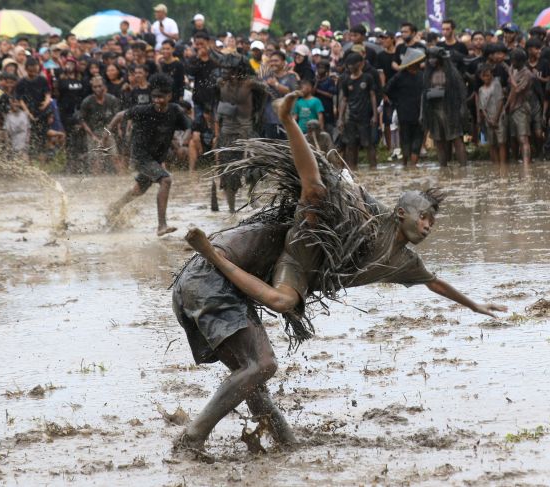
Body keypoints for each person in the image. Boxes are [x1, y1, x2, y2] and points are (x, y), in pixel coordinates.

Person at [174, 89, 507, 452]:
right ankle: (192, 439)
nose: (428, 225)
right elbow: (325, 181)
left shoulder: (405, 262)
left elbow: (436, 283)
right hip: (210, 272)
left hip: (228, 281)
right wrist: (297, 130)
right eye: (423, 217)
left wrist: (476, 306)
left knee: (253, 372)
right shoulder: (362, 215)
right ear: (402, 214)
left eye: (432, 221)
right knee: (261, 365)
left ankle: (285, 442)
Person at [106, 73, 190, 236]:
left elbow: (188, 127)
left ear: (169, 96)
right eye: (155, 97)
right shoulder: (143, 110)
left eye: (161, 97)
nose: (157, 101)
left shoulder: (175, 111)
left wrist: (183, 143)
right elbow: (119, 116)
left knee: (139, 190)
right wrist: (105, 134)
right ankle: (162, 225)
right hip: (140, 156)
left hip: (156, 158)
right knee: (166, 180)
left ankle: (114, 208)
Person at [211, 53, 267, 212]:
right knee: (228, 174)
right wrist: (216, 134)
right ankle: (231, 210)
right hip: (227, 133)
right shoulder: (220, 84)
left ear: (237, 71)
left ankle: (252, 194)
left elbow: (265, 91)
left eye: (229, 70)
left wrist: (258, 113)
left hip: (247, 131)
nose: (226, 73)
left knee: (257, 168)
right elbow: (216, 109)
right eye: (224, 69)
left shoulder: (250, 84)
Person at [422, 47, 468, 166]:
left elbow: (462, 91)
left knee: (457, 139)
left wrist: (462, 108)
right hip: (434, 110)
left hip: (450, 110)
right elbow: (423, 93)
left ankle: (463, 168)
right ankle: (443, 168)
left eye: (434, 57)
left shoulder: (451, 72)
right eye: (430, 58)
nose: (431, 60)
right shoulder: (428, 73)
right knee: (438, 142)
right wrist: (422, 113)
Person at [385, 48, 425, 166]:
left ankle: (411, 166)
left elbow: (387, 89)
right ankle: (406, 164)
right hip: (405, 112)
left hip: (418, 113)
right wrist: (397, 101)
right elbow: (387, 89)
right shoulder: (400, 76)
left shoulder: (421, 75)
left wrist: (396, 100)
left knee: (416, 139)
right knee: (406, 138)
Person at [338, 52, 378, 169]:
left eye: (353, 65)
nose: (351, 67)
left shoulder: (367, 78)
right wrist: (340, 118)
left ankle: (373, 168)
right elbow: (344, 100)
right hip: (351, 117)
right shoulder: (346, 80)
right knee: (351, 145)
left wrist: (375, 115)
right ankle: (353, 169)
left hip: (365, 116)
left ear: (360, 64)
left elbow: (373, 96)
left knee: (368, 144)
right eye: (349, 65)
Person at [79, 76, 121, 174]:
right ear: (92, 88)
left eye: (99, 86)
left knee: (115, 157)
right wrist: (92, 136)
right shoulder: (87, 101)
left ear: (104, 87)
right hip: (93, 132)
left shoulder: (112, 99)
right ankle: (96, 184)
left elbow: (117, 117)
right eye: (95, 87)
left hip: (108, 131)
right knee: (95, 160)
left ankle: (122, 178)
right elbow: (82, 120)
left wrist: (117, 129)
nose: (97, 89)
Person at [15, 57, 51, 159]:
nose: (34, 73)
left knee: (43, 137)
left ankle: (43, 164)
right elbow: (20, 99)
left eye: (35, 70)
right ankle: (29, 161)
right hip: (27, 114)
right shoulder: (21, 82)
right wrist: (27, 112)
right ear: (26, 69)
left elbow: (48, 94)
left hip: (41, 112)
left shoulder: (42, 80)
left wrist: (46, 103)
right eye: (31, 71)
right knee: (29, 139)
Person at [506, 48, 534, 164]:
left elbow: (517, 89)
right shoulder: (515, 70)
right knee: (514, 137)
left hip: (522, 107)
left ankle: (526, 165)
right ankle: (516, 161)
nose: (512, 63)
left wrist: (510, 74)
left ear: (520, 61)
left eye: (513, 61)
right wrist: (506, 106)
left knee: (523, 138)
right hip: (512, 107)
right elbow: (511, 92)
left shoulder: (528, 74)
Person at [477, 65, 506, 164]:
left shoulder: (496, 85)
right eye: (484, 76)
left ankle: (502, 166)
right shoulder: (481, 89)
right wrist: (487, 119)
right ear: (481, 77)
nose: (486, 78)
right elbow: (482, 107)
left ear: (491, 75)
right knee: (492, 144)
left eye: (488, 75)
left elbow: (501, 101)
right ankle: (495, 165)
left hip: (499, 117)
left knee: (501, 142)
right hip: (488, 119)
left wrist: (496, 119)